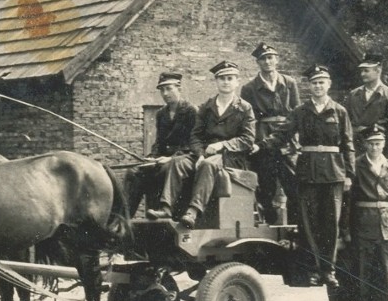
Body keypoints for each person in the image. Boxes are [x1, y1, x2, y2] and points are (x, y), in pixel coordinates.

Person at [258, 64, 354, 287]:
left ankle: (328, 270)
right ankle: (311, 269)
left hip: (333, 172)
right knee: (308, 223)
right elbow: (282, 135)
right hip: (308, 172)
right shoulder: (300, 111)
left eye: (322, 82)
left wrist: (349, 174)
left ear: (328, 85)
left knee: (331, 223)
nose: (318, 86)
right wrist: (261, 146)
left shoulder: (339, 111)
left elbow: (348, 144)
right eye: (314, 83)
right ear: (309, 86)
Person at [147, 61, 255, 229]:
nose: (226, 82)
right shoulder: (206, 107)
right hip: (205, 153)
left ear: (237, 82)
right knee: (177, 162)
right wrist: (200, 154)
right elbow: (195, 136)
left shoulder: (245, 108)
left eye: (229, 78)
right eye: (221, 79)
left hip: (231, 157)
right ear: (216, 81)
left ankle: (193, 211)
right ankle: (166, 208)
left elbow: (248, 140)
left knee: (207, 165)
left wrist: (222, 145)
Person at [349, 124, 388, 301]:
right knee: (361, 274)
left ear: (384, 144)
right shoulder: (356, 165)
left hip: (385, 226)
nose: (374, 147)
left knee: (382, 275)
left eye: (378, 143)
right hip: (362, 223)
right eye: (371, 143)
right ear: (365, 145)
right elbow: (348, 201)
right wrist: (346, 229)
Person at [241, 42, 301, 224]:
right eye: (263, 59)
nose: (267, 62)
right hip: (263, 139)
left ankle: (296, 227)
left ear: (277, 60)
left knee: (293, 184)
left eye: (270, 58)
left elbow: (296, 113)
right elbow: (247, 118)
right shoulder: (249, 88)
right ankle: (270, 227)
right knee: (266, 187)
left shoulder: (289, 83)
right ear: (258, 63)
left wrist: (295, 140)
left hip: (287, 141)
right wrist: (254, 142)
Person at [123, 72, 197, 214]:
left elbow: (193, 143)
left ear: (179, 89)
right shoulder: (161, 113)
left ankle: (165, 209)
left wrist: (171, 157)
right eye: (162, 90)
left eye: (169, 88)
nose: (165, 93)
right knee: (134, 172)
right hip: (163, 159)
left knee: (166, 168)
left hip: (185, 158)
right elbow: (159, 142)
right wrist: (152, 156)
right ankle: (124, 216)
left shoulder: (191, 111)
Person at [344, 54, 388, 160]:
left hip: (377, 148)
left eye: (366, 70)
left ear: (378, 70)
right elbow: (346, 124)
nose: (362, 74)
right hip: (356, 148)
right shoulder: (353, 95)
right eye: (361, 71)